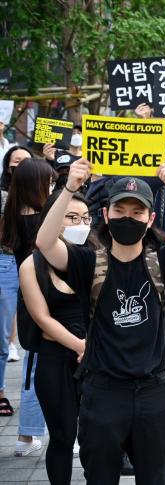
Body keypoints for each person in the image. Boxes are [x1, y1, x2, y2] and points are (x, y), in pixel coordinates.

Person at [35, 157, 165, 484]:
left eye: (137, 212)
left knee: (156, 477)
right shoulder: (88, 263)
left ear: (150, 218)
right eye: (119, 210)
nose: (127, 217)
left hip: (153, 392)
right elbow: (45, 243)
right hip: (103, 392)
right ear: (105, 214)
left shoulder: (163, 261)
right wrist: (70, 187)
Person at [18, 190, 94, 484]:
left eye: (86, 218)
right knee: (62, 435)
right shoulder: (31, 264)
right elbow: (42, 318)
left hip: (96, 359)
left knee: (97, 435)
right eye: (71, 217)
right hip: (55, 358)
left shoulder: (96, 257)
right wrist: (79, 345)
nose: (80, 224)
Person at [0, 157, 53, 455]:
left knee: (33, 367)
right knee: (47, 368)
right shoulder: (43, 220)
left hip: (29, 300)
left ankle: (27, 435)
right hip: (49, 298)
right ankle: (33, 434)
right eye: (49, 182)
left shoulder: (12, 216)